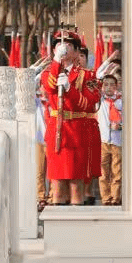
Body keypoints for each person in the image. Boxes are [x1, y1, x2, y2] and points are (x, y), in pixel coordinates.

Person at [41, 29, 100, 206]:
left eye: (67, 46)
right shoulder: (48, 72)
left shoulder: (87, 75)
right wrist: (56, 62)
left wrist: (70, 89)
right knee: (57, 184)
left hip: (76, 131)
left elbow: (89, 103)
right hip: (57, 130)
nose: (63, 49)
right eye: (58, 45)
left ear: (76, 52)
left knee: (76, 184)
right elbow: (51, 86)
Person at [96, 71, 122, 207]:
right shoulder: (100, 100)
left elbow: (128, 119)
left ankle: (115, 197)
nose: (109, 88)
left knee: (117, 170)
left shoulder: (121, 101)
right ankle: (106, 198)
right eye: (106, 85)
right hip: (103, 140)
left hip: (118, 140)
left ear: (117, 86)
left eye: (112, 85)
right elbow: (96, 79)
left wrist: (121, 125)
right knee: (103, 171)